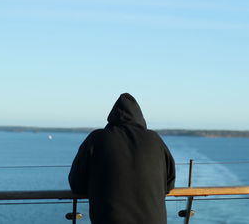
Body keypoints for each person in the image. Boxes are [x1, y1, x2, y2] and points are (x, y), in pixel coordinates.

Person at [69, 93, 175, 224]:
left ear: (112, 116)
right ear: (140, 116)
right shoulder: (155, 139)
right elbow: (169, 183)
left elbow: (76, 184)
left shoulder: (96, 138)